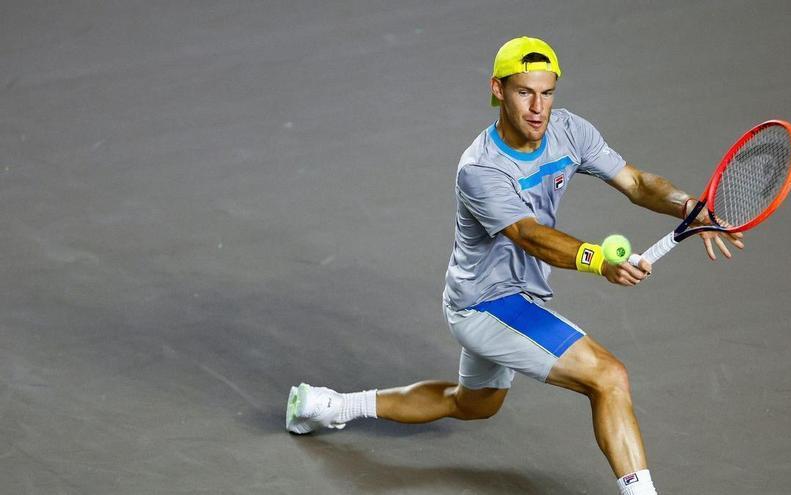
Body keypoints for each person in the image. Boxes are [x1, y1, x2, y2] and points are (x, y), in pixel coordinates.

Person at [286, 36, 743, 495]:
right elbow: (529, 236)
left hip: (494, 297)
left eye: (547, 93)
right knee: (609, 377)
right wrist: (597, 259)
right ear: (498, 90)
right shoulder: (480, 169)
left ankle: (329, 406)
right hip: (488, 303)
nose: (537, 107)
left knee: (472, 404)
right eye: (525, 92)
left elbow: (638, 182)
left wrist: (688, 206)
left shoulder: (570, 132)